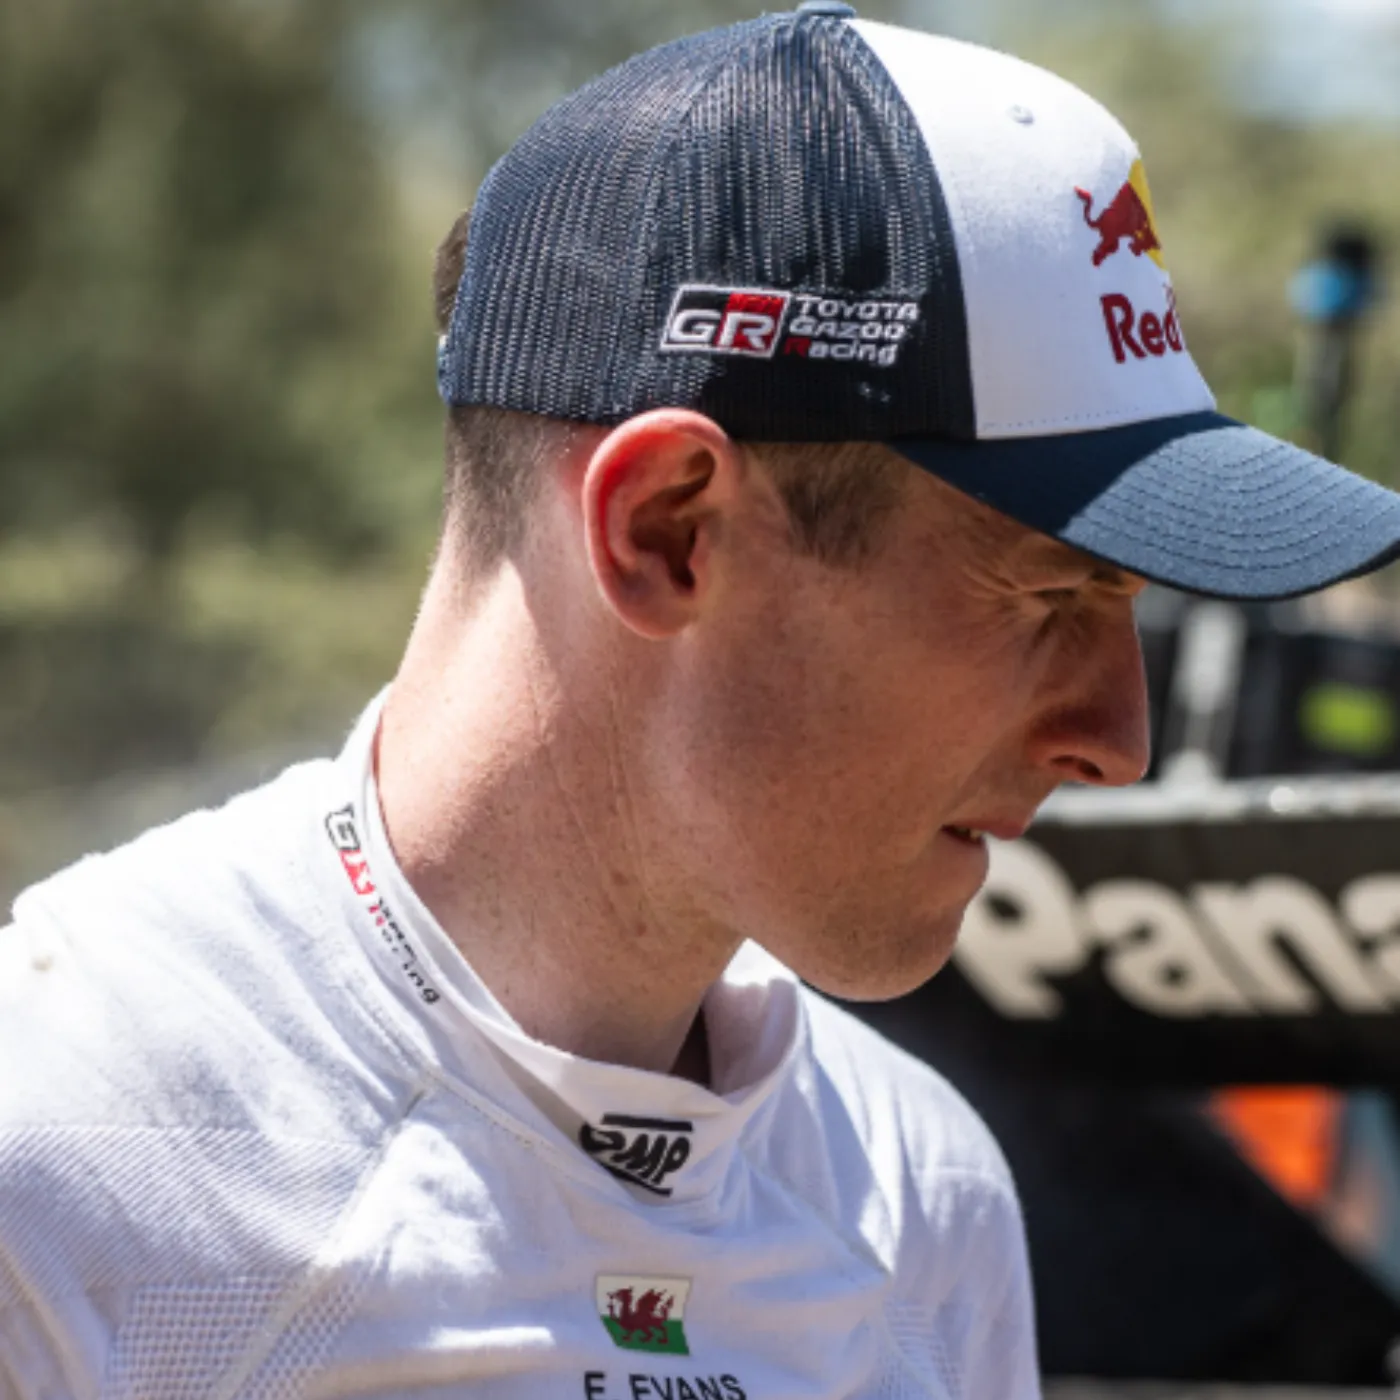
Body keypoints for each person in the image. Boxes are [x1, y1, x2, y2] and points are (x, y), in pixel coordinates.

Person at [5, 5, 1400, 1396]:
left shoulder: (922, 1195)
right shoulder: (60, 1168)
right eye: (1046, 598)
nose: (1118, 740)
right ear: (668, 530)